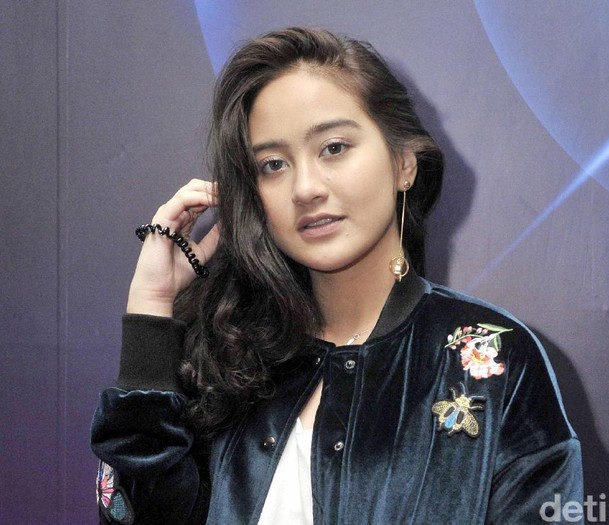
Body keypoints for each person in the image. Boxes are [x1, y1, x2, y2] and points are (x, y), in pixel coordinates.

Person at [91, 27, 583, 525]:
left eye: (333, 148)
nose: (305, 188)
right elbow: (133, 515)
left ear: (403, 162)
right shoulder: (226, 356)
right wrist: (152, 304)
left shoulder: (493, 359)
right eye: (273, 164)